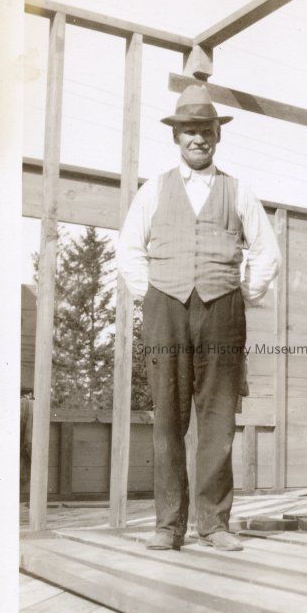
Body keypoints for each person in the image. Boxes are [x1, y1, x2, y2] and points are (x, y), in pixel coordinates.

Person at [116, 84, 281, 551]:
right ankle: (168, 526)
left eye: (206, 130)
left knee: (218, 418)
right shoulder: (154, 190)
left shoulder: (238, 191)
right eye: (189, 130)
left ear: (217, 136)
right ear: (177, 137)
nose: (198, 138)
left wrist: (240, 293)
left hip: (222, 311)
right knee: (168, 418)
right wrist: (153, 294)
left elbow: (266, 253)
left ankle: (213, 524)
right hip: (164, 308)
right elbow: (129, 250)